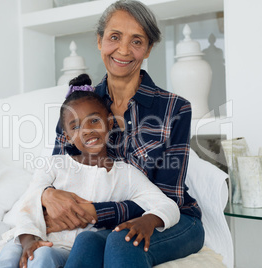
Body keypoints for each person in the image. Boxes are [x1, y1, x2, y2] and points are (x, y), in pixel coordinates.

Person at [42, 1, 205, 267]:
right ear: (99, 40)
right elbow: (57, 171)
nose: (123, 50)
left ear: (149, 48)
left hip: (173, 219)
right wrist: (46, 195)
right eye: (114, 37)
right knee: (86, 242)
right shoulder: (78, 107)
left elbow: (167, 199)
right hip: (100, 224)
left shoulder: (175, 108)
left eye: (137, 41)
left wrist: (96, 212)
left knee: (122, 240)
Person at [0, 74, 180, 268]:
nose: (87, 130)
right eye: (75, 126)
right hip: (31, 237)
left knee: (43, 256)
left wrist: (148, 221)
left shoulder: (125, 174)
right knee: (11, 253)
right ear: (68, 137)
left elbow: (168, 206)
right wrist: (28, 240)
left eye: (94, 121)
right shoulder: (54, 165)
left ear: (111, 123)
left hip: (66, 251)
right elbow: (28, 203)